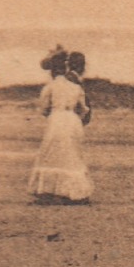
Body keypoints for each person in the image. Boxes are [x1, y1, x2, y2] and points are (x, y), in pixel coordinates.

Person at [28, 49, 94, 204]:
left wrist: (52, 115)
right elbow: (84, 109)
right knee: (73, 155)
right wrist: (76, 118)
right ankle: (75, 193)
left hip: (56, 119)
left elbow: (44, 108)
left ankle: (49, 191)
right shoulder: (75, 87)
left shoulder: (50, 87)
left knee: (51, 154)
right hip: (72, 120)